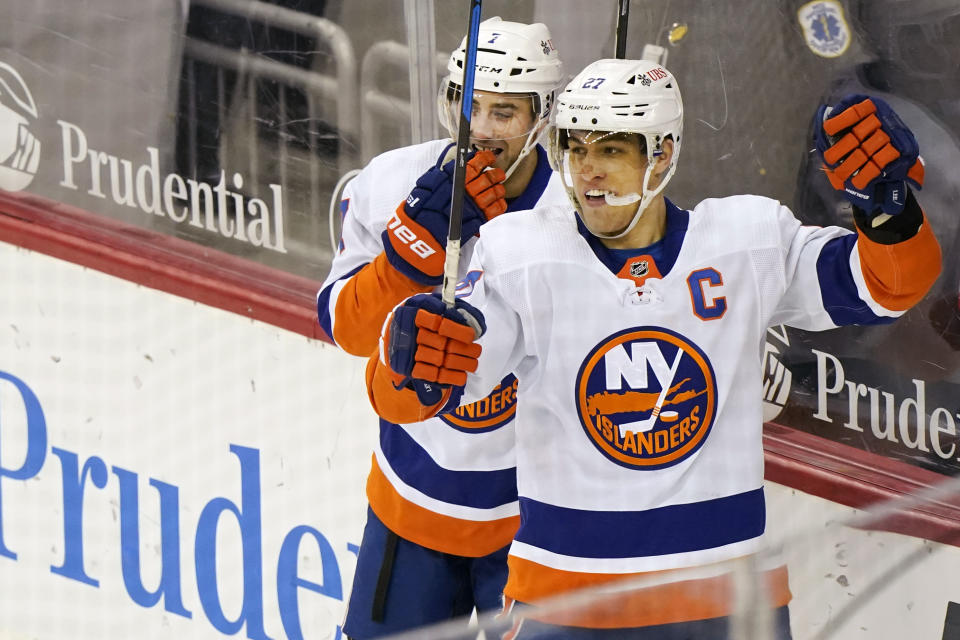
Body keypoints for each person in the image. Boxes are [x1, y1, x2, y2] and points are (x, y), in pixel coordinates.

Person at [364, 58, 942, 638]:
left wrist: (887, 213)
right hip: (565, 603)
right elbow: (426, 391)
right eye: (575, 148)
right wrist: (410, 357)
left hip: (729, 606)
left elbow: (886, 287)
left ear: (662, 154)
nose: (587, 171)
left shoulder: (746, 242)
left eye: (612, 150)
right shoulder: (520, 255)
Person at [315, 17, 568, 639]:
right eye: (467, 103)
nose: (479, 128)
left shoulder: (573, 213)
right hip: (411, 510)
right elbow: (343, 328)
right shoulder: (392, 181)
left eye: (503, 112)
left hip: (531, 527)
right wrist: (401, 265)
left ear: (543, 115)